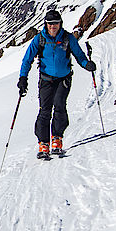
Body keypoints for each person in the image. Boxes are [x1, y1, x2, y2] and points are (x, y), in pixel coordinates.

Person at [17, 9, 96, 158]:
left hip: (63, 79)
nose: (53, 26)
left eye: (56, 23)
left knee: (59, 106)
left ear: (60, 24)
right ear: (45, 24)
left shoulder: (68, 38)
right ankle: (43, 143)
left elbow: (79, 55)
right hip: (46, 80)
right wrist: (23, 78)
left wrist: (86, 65)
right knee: (45, 110)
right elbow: (27, 59)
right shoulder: (39, 39)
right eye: (50, 23)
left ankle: (57, 139)